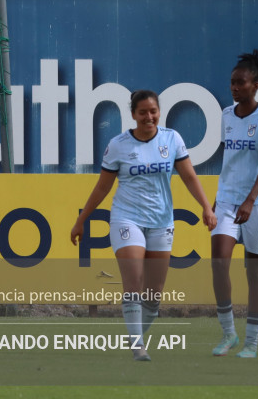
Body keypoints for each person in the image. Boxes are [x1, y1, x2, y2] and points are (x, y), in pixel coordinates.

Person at [71, 90, 216, 361]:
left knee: (153, 294)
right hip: (127, 218)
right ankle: (138, 346)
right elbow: (102, 187)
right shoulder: (118, 145)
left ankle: (134, 334)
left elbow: (189, 177)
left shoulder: (172, 139)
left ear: (159, 112)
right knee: (134, 281)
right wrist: (81, 220)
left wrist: (206, 207)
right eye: (142, 112)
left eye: (153, 111)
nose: (149, 117)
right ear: (133, 114)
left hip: (161, 221)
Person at [210, 50, 258, 358]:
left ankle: (251, 342)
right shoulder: (226, 115)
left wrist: (250, 199)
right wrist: (217, 199)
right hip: (227, 200)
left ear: (256, 85)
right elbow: (231, 159)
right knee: (219, 262)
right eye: (232, 82)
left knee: (255, 273)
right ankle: (229, 334)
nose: (235, 87)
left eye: (241, 82)